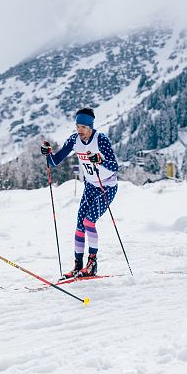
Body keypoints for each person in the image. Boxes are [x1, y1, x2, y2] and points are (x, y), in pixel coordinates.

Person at [41, 108, 119, 278]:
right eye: (78, 126)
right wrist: (48, 154)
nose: (80, 130)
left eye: (83, 127)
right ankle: (78, 265)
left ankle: (92, 263)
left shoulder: (101, 139)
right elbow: (55, 161)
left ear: (91, 126)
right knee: (79, 224)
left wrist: (100, 160)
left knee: (89, 221)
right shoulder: (74, 140)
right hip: (91, 185)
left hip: (107, 186)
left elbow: (114, 166)